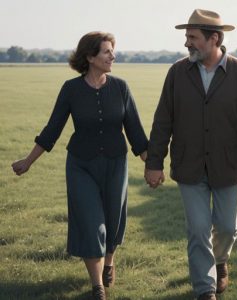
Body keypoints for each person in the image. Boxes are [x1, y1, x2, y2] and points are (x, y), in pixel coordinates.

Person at [11, 31, 148, 300]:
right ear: (90, 57)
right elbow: (52, 129)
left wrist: (152, 166)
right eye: (107, 52)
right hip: (80, 166)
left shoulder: (121, 87)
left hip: (115, 165)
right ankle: (97, 285)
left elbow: (135, 131)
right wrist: (28, 161)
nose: (113, 56)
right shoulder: (70, 89)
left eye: (112, 51)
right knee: (90, 222)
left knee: (113, 220)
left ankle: (109, 260)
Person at [144, 9, 237, 300]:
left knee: (227, 226)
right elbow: (163, 120)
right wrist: (154, 163)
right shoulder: (177, 73)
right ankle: (205, 289)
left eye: (193, 37)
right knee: (198, 229)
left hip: (228, 165)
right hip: (190, 166)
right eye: (187, 37)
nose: (187, 43)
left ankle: (220, 261)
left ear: (215, 39)